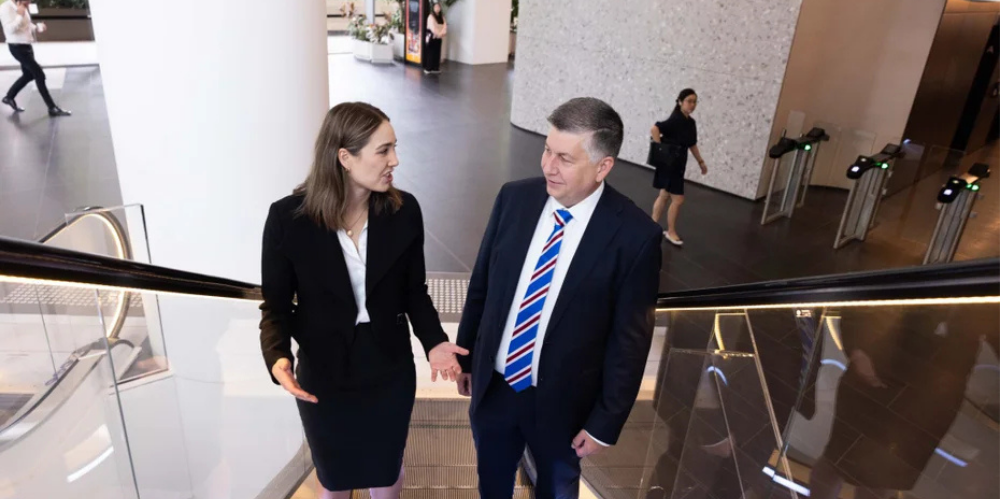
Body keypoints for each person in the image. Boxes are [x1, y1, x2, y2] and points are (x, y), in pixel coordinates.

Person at [456, 97, 662, 498]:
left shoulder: (635, 237)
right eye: (547, 149)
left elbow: (630, 342)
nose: (548, 165)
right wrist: (466, 354)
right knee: (491, 484)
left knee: (556, 490)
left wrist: (606, 421)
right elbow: (482, 285)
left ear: (603, 167)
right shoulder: (514, 199)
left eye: (565, 158)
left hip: (565, 408)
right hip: (495, 390)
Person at [259, 102, 468, 499]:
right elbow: (276, 306)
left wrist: (435, 342)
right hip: (324, 373)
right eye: (383, 150)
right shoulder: (288, 220)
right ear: (345, 158)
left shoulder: (404, 212)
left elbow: (414, 292)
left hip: (388, 368)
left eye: (394, 147)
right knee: (334, 478)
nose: (396, 160)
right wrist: (277, 356)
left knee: (385, 471)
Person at [650, 89, 705, 246]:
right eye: (689, 101)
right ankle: (671, 231)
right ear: (680, 102)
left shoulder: (690, 122)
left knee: (664, 195)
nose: (692, 104)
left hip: (678, 164)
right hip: (671, 165)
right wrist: (660, 149)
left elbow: (692, 144)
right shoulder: (675, 120)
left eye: (694, 101)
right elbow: (655, 128)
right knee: (678, 199)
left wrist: (701, 162)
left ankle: (651, 226)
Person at [0, 0, 70, 116]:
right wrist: (19, 15)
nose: (30, 1)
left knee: (28, 75)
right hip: (17, 47)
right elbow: (9, 30)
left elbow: (26, 25)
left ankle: (9, 97)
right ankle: (52, 108)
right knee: (39, 74)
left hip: (27, 46)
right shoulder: (5, 8)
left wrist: (37, 27)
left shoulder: (22, 6)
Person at [422, 0, 446, 74]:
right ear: (433, 8)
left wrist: (442, 33)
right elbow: (433, 27)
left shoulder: (442, 17)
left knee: (437, 52)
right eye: (436, 7)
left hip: (439, 38)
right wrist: (438, 33)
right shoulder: (431, 16)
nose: (437, 8)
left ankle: (435, 67)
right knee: (430, 52)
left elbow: (444, 26)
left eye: (438, 7)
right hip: (432, 37)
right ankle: (428, 68)